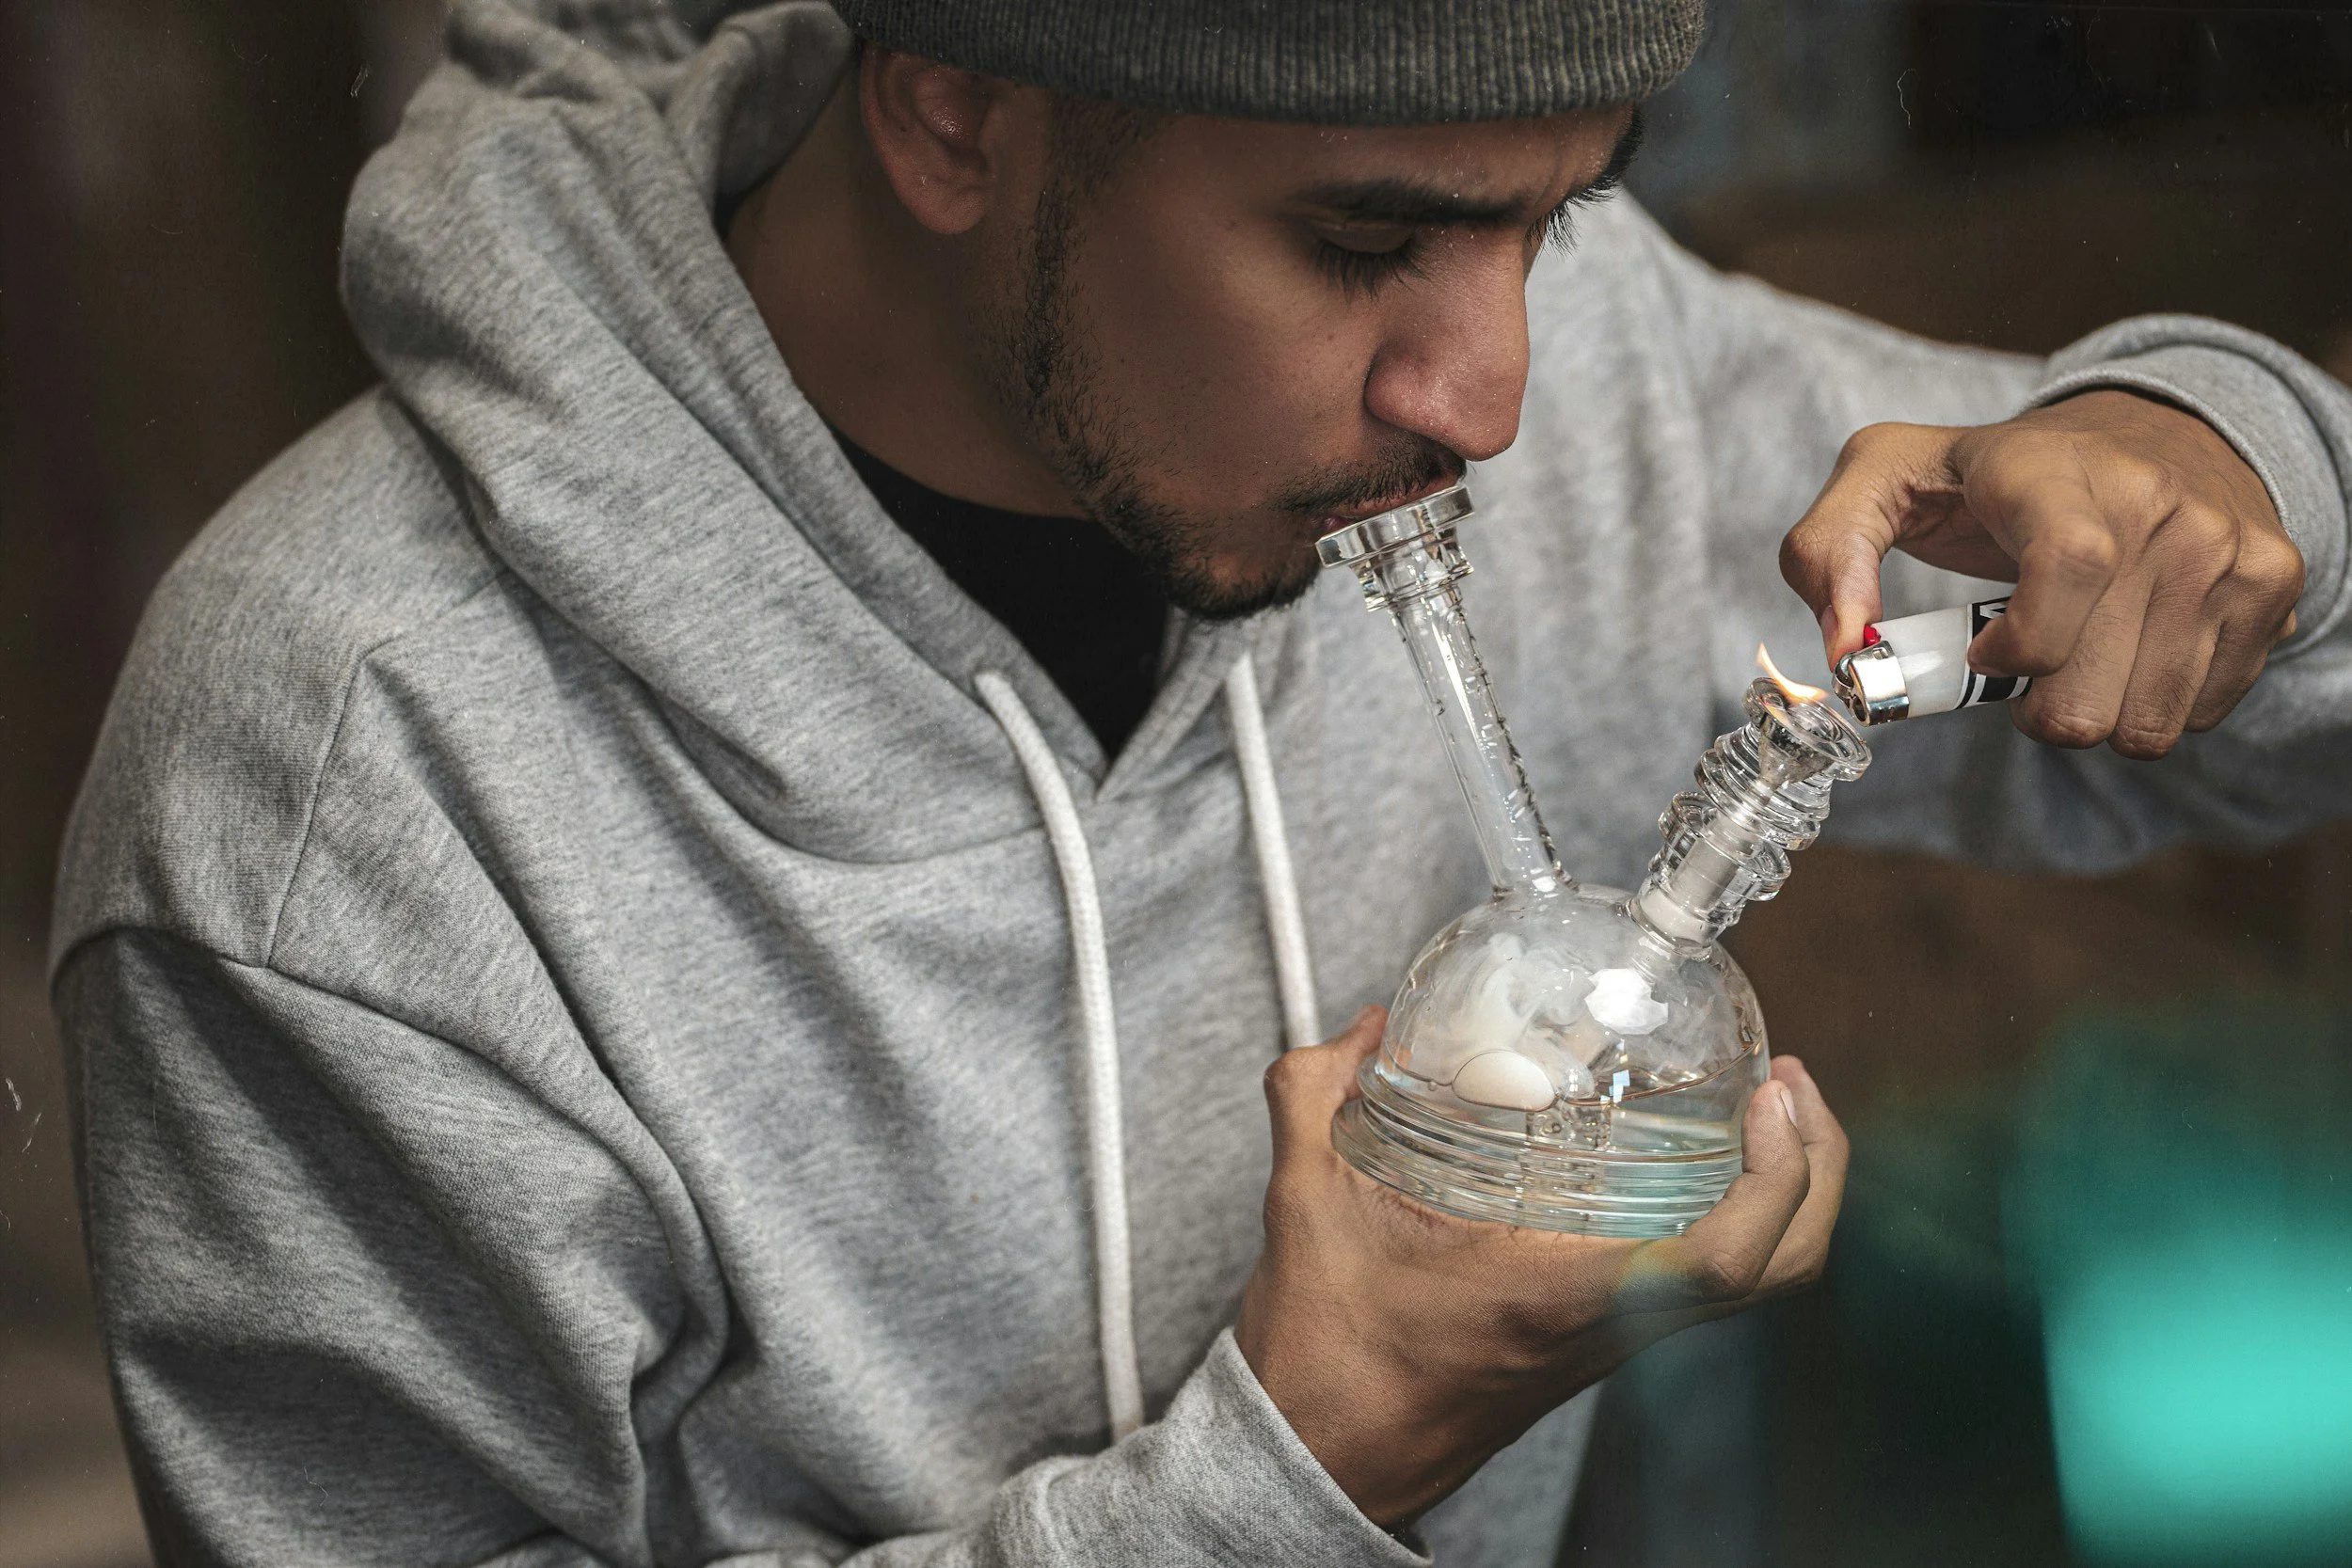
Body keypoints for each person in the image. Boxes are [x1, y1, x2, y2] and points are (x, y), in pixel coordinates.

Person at [49, 2, 2351, 1564]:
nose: (1488, 398)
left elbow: (2262, 694)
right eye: (1360, 241)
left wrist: (2219, 451)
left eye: (1551, 219)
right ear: (953, 108)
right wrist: (1309, 1464)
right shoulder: (345, 777)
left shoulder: (1569, 376)